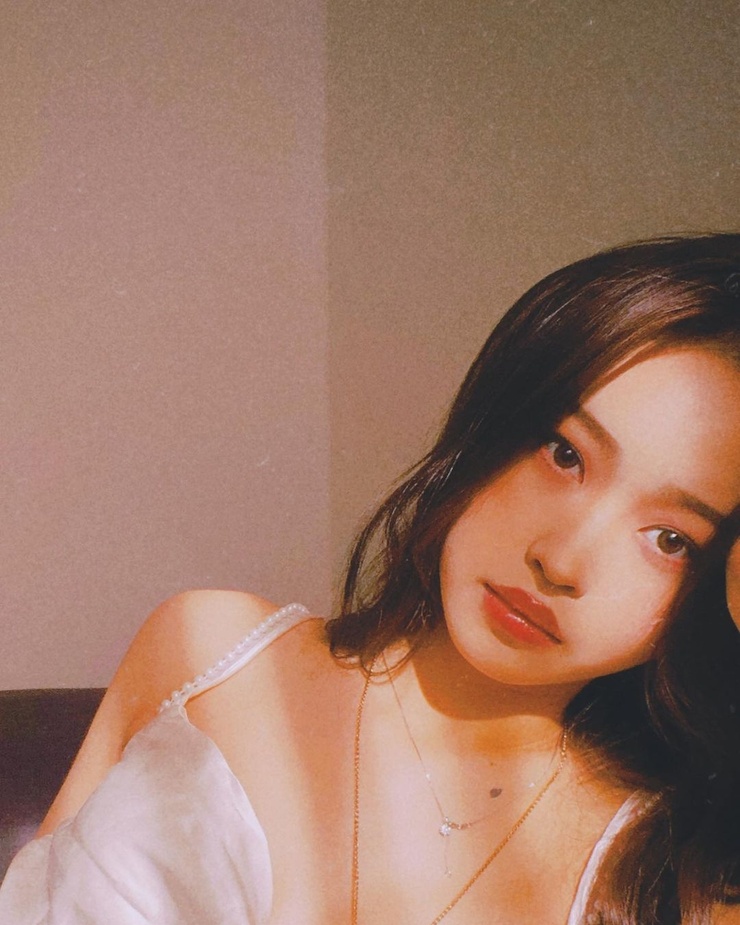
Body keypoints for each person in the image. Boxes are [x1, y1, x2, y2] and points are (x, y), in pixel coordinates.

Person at [1, 234, 739, 925]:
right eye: (564, 453)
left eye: (671, 540)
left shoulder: (668, 871)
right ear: (495, 424)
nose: (562, 560)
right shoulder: (205, 647)